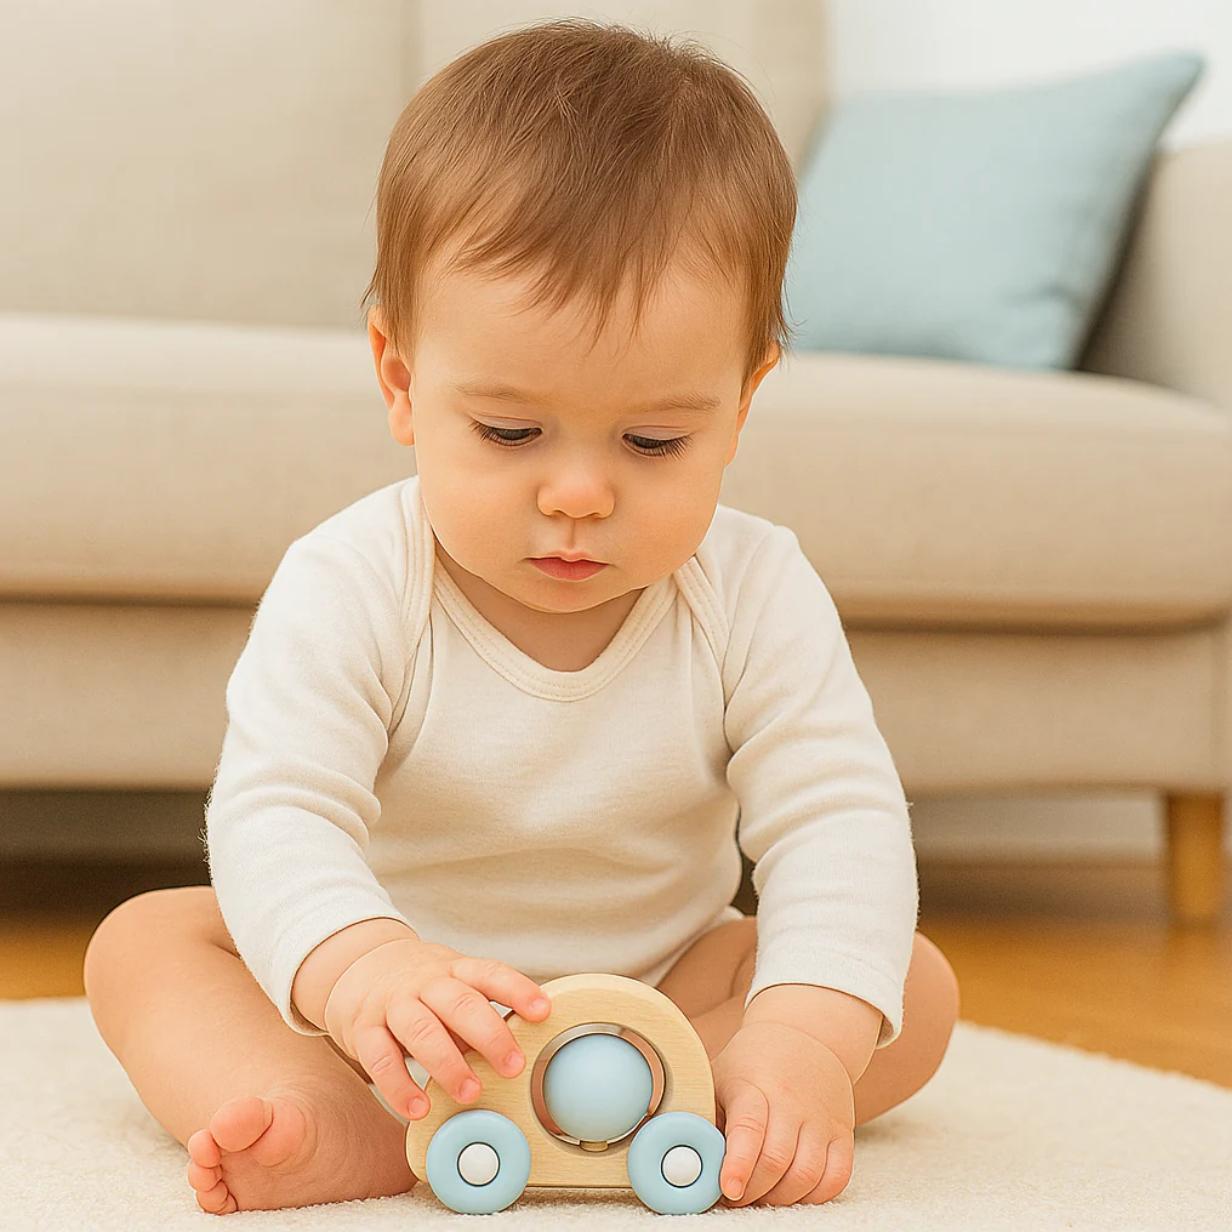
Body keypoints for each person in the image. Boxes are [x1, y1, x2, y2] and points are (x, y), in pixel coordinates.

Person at [83, 17, 959, 1216]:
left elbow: (836, 815)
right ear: (401, 379)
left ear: (745, 398)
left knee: (905, 983)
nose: (579, 493)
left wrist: (803, 1037)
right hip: (397, 1014)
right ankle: (348, 1113)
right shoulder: (354, 578)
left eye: (654, 440)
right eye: (510, 432)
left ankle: (705, 1087)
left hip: (662, 993)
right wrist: (363, 968)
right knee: (146, 943)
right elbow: (278, 808)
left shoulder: (755, 588)